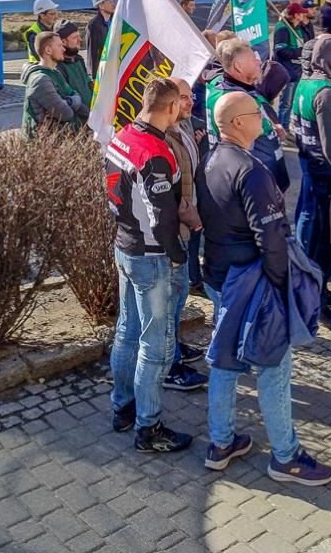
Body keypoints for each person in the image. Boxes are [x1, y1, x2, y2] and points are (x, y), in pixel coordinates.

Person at [199, 91, 331, 485]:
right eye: (256, 113)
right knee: (273, 368)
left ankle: (221, 442)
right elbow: (271, 236)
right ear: (237, 123)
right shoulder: (251, 170)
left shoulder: (209, 160)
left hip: (219, 277)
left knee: (224, 359)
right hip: (253, 281)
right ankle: (286, 457)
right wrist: (280, 283)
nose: (263, 118)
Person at [106, 77, 192, 453]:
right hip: (151, 256)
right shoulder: (155, 152)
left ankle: (122, 407)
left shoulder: (122, 135)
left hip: (124, 247)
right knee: (154, 345)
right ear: (171, 108)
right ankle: (148, 427)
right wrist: (177, 256)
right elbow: (163, 217)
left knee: (127, 331)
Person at [290, 36, 331, 329]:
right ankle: (314, 301)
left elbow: (293, 124)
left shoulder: (305, 83)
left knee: (312, 237)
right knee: (325, 243)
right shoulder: (327, 93)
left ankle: (317, 289)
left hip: (309, 170)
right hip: (326, 178)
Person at [162, 77, 208, 393]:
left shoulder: (184, 126)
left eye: (191, 96)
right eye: (183, 97)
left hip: (187, 222)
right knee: (168, 299)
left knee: (178, 297)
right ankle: (169, 365)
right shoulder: (164, 135)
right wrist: (188, 216)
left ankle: (175, 346)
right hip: (174, 228)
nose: (190, 101)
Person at [206, 38, 289, 193]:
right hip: (256, 185)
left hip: (268, 178)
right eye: (253, 59)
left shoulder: (242, 90)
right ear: (238, 66)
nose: (259, 62)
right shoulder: (231, 99)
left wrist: (272, 125)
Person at [21, 32, 88, 135]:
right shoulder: (40, 80)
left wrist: (67, 101)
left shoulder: (55, 73)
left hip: (57, 139)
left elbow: (75, 95)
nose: (64, 49)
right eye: (59, 45)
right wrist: (71, 101)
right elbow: (65, 113)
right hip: (42, 144)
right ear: (48, 50)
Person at [273, 3, 308, 129]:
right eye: (302, 13)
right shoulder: (283, 28)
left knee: (291, 103)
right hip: (286, 71)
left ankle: (286, 126)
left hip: (296, 71)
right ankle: (281, 128)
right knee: (285, 103)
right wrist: (298, 52)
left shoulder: (298, 28)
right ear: (296, 15)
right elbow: (280, 51)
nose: (304, 15)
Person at [53, 19, 93, 107]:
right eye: (75, 37)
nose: (80, 40)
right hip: (78, 117)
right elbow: (67, 97)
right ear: (63, 42)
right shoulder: (58, 66)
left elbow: (88, 83)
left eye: (79, 36)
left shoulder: (79, 59)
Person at [87, 0, 115, 74]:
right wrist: (94, 75)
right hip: (104, 69)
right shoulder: (93, 25)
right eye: (109, 2)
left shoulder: (115, 20)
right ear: (101, 5)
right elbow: (92, 51)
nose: (113, 4)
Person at [24, 0, 60, 64]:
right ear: (42, 15)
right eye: (52, 14)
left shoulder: (55, 29)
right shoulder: (33, 33)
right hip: (39, 69)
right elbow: (39, 56)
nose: (56, 17)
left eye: (56, 13)